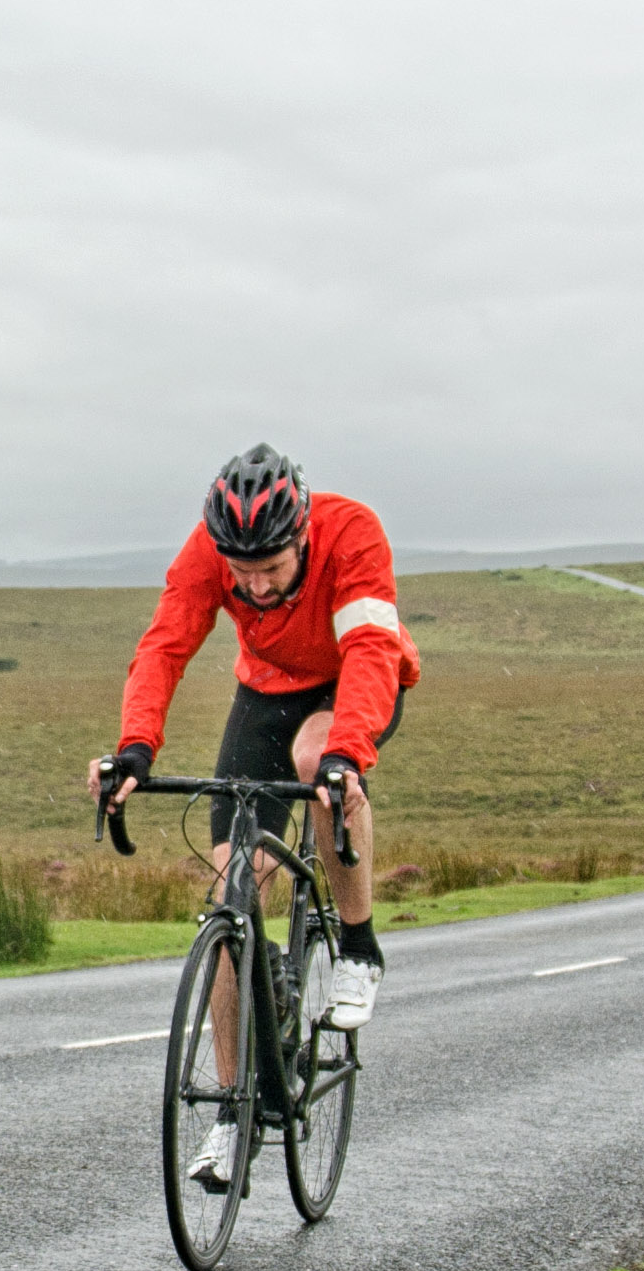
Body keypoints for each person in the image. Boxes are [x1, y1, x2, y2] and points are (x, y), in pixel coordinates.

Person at [92, 445, 418, 1191]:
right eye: (244, 574)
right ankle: (232, 1116)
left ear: (302, 534)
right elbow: (166, 643)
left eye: (272, 568)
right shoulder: (214, 552)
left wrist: (346, 753)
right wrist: (135, 748)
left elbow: (371, 648)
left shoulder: (352, 532)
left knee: (316, 762)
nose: (258, 586)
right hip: (265, 695)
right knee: (231, 891)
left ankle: (360, 948)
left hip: (352, 682)